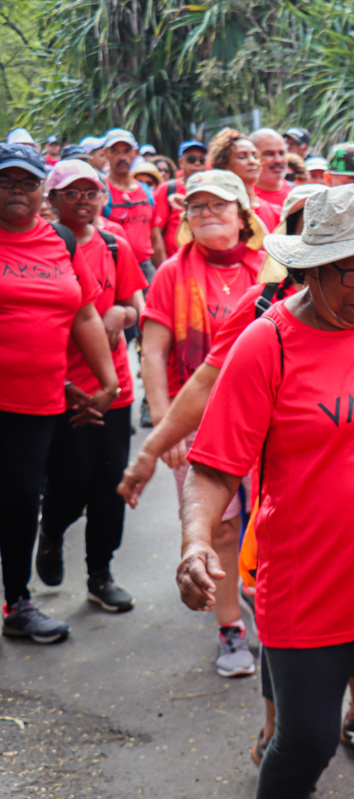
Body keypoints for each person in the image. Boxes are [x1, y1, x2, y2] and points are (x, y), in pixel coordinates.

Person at [175, 184, 354, 798]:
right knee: (305, 742)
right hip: (312, 588)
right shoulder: (267, 344)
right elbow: (216, 465)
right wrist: (196, 541)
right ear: (312, 269)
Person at [118, 183, 331, 766]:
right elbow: (202, 376)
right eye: (305, 225)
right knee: (258, 578)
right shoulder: (267, 299)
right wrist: (155, 443)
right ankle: (273, 719)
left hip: (346, 509)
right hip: (253, 461)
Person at [141, 169, 266, 677]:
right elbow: (153, 352)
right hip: (195, 418)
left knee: (268, 520)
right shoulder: (173, 272)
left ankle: (270, 605)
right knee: (220, 525)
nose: (208, 214)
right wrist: (163, 425)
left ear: (242, 214)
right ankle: (231, 629)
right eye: (197, 207)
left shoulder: (270, 266)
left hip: (265, 415)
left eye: (219, 205)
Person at [0, 143, 121, 643]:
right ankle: (19, 601)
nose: (18, 192)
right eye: (6, 182)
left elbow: (85, 313)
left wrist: (107, 378)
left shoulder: (61, 242)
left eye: (28, 182)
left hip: (45, 399)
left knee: (30, 499)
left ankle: (17, 603)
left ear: (41, 190)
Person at [37, 159, 146, 614]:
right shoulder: (41, 248)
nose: (82, 201)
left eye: (90, 192)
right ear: (53, 199)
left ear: (103, 196)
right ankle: (52, 532)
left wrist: (120, 316)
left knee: (108, 484)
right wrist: (59, 381)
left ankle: (100, 574)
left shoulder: (115, 245)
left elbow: (136, 306)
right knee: (69, 483)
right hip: (58, 387)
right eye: (71, 193)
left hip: (113, 387)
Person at [102, 128, 156, 281]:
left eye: (126, 151)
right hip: (113, 268)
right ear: (106, 153)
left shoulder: (146, 192)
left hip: (145, 268)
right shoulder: (101, 193)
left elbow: (155, 237)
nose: (122, 157)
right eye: (115, 152)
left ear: (135, 153)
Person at [207, 128, 282, 231]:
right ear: (224, 165)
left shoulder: (276, 212)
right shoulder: (215, 213)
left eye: (255, 156)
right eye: (242, 156)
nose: (252, 162)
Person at [151, 139, 208, 264]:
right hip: (176, 263)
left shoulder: (211, 190)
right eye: (191, 160)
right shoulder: (168, 189)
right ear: (181, 163)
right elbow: (156, 233)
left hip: (205, 263)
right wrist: (163, 267)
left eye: (201, 160)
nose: (197, 163)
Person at [250, 128, 291, 208]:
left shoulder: (296, 195)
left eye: (281, 153)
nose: (278, 160)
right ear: (253, 157)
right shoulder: (242, 198)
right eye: (269, 154)